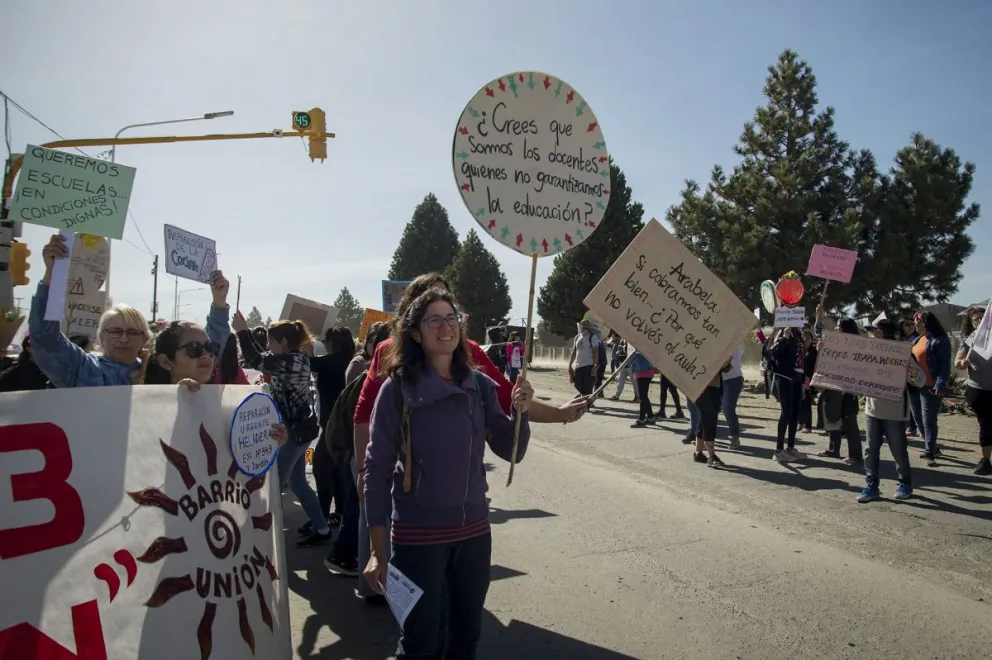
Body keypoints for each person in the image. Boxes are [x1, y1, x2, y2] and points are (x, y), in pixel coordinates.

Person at [363, 289, 533, 658]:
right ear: (415, 333)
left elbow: (512, 451)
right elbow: (375, 472)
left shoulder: (479, 385)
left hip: (474, 533)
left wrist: (521, 412)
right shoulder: (396, 389)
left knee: (465, 639)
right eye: (434, 320)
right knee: (420, 644)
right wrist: (377, 551)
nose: (446, 327)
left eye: (451, 318)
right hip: (417, 537)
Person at [235, 312, 331, 547]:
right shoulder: (296, 358)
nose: (268, 347)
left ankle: (261, 541)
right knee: (298, 483)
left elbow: (255, 360)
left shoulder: (289, 362)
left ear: (285, 342)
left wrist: (242, 331)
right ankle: (322, 527)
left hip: (294, 433)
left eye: (271, 342)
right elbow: (261, 357)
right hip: (301, 430)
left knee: (273, 485)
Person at [858, 319, 916, 502]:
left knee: (898, 450)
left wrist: (911, 372)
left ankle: (904, 484)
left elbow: (920, 380)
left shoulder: (902, 354)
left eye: (874, 331)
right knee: (870, 451)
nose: (871, 335)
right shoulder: (868, 354)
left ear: (883, 333)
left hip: (895, 413)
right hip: (872, 411)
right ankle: (871, 486)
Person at [309, 327, 357, 528]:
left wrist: (308, 350)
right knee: (338, 470)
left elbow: (309, 363)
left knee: (321, 467)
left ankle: (321, 516)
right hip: (346, 424)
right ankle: (339, 512)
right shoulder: (350, 362)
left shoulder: (330, 362)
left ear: (331, 343)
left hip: (332, 423)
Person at [912, 311, 952, 466]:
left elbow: (944, 366)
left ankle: (930, 453)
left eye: (917, 322)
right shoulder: (918, 339)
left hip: (930, 387)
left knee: (929, 420)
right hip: (914, 385)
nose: (915, 325)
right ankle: (932, 447)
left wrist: (940, 385)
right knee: (918, 418)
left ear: (926, 323)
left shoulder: (940, 341)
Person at [956, 306, 991, 475]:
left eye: (983, 318)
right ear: (971, 322)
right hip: (979, 391)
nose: (980, 321)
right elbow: (958, 362)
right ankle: (985, 461)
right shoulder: (970, 340)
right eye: (976, 319)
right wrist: (962, 363)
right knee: (986, 425)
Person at [721, 344, 745, 449]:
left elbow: (727, 366)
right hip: (717, 380)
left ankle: (735, 438)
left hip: (732, 380)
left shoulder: (735, 345)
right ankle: (705, 439)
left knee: (728, 409)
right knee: (710, 409)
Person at [568, 319, 600, 397]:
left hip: (588, 366)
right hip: (578, 366)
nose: (585, 326)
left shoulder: (593, 337)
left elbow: (596, 352)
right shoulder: (577, 337)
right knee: (577, 385)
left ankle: (586, 401)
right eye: (583, 324)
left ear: (590, 327)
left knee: (587, 388)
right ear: (580, 326)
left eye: (587, 324)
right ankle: (586, 398)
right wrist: (570, 365)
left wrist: (594, 366)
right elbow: (574, 352)